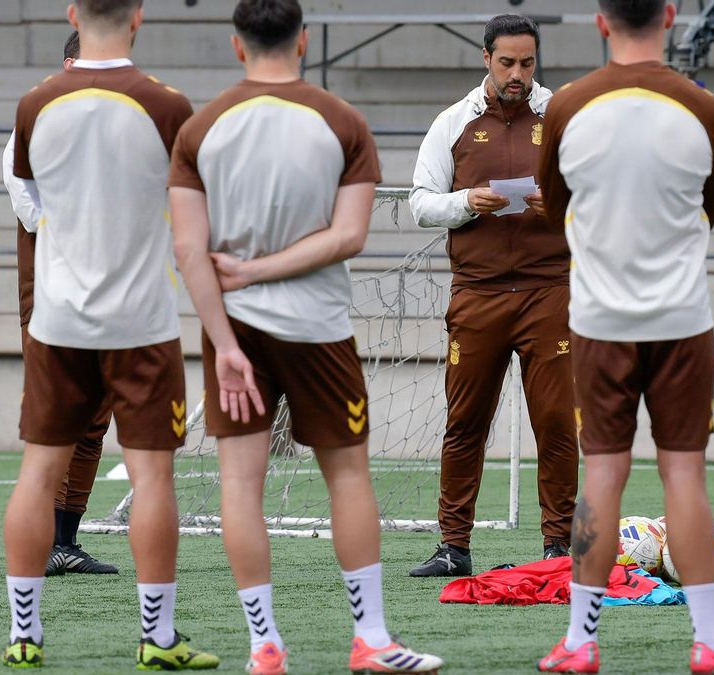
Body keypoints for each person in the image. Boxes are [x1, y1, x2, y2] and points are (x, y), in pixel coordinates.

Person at [168, 1, 443, 673]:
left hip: (233, 329)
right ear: (305, 40)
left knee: (240, 482)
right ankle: (372, 640)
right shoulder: (342, 121)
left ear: (237, 46)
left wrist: (224, 342)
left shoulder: (201, 127)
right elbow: (350, 236)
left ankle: (265, 646)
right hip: (318, 327)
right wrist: (268, 271)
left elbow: (187, 248)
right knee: (347, 473)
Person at [535, 2, 714, 673]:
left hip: (600, 319)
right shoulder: (705, 108)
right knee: (683, 472)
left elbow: (555, 206)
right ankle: (713, 642)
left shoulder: (567, 107)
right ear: (669, 15)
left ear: (601, 21)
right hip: (681, 318)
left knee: (602, 472)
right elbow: (709, 204)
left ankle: (580, 642)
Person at [2, 0, 217, 669]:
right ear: (140, 16)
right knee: (153, 476)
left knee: (37, 472)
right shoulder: (169, 106)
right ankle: (156, 638)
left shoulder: (35, 105)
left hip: (58, 315)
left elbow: (34, 203)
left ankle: (24, 637)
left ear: (71, 11)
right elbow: (192, 228)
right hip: (141, 320)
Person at [408, 13, 578, 577]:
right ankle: (453, 546)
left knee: (555, 422)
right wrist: (466, 202)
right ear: (486, 58)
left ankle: (559, 546)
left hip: (548, 290)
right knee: (466, 422)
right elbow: (419, 202)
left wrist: (557, 205)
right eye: (507, 63)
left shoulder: (561, 117)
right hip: (477, 292)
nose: (517, 74)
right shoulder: (453, 121)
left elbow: (595, 197)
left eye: (527, 63)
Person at [3, 29, 119, 578]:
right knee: (57, 416)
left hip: (109, 294)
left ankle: (66, 541)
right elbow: (32, 212)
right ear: (70, 63)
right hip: (53, 294)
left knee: (97, 417)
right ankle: (40, 543)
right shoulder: (31, 124)